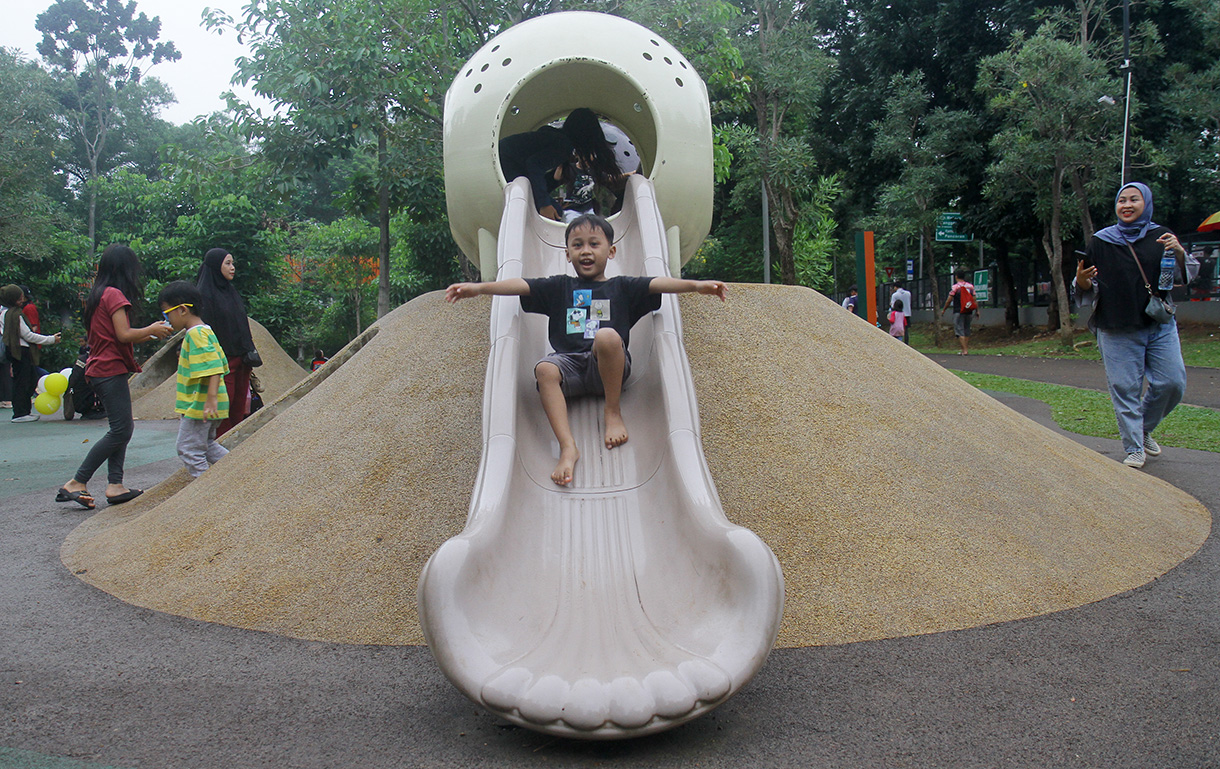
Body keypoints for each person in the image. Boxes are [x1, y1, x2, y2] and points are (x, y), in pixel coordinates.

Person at [445, 213, 728, 487]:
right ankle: (568, 448)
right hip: (569, 367)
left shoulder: (623, 287)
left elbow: (658, 283)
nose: (586, 251)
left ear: (612, 250)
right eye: (577, 245)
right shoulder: (559, 286)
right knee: (544, 368)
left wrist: (696, 285)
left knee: (606, 336)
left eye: (594, 244)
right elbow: (522, 285)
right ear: (567, 254)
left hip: (607, 366)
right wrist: (480, 288)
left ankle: (612, 412)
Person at [1075, 182, 1191, 469]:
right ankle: (1134, 448)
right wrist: (1081, 281)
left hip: (1158, 323)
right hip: (1115, 327)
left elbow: (1185, 275)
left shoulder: (1161, 236)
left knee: (1172, 383)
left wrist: (1179, 252)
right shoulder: (1101, 240)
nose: (1127, 205)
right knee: (1125, 389)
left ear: (1146, 203)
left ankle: (1142, 429)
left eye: (1134, 200)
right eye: (1122, 200)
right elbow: (1085, 283)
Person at [56, 245, 173, 509]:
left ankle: (115, 485)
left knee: (120, 428)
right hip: (108, 369)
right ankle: (77, 481)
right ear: (125, 269)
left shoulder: (99, 294)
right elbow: (123, 334)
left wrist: (147, 332)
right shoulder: (114, 294)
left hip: (102, 367)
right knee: (121, 430)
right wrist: (151, 329)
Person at [499, 108, 628, 221]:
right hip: (506, 162)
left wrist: (553, 181)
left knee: (551, 207)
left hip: (504, 157)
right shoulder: (563, 145)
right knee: (555, 212)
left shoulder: (555, 137)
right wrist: (544, 204)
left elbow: (535, 168)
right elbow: (534, 165)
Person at [159, 281, 230, 478]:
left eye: (166, 314)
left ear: (182, 310)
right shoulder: (206, 331)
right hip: (207, 402)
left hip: (200, 404)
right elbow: (222, 364)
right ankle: (236, 472)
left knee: (188, 448)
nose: (166, 320)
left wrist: (211, 398)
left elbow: (214, 366)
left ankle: (204, 489)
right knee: (206, 445)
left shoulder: (196, 334)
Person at [196, 248, 258, 437]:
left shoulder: (230, 292)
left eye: (232, 263)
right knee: (224, 406)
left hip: (242, 360)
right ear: (216, 266)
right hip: (221, 362)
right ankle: (222, 449)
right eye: (228, 263)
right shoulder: (203, 295)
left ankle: (235, 450)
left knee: (239, 407)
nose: (233, 268)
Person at [1, 285, 61, 422]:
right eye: (19, 297)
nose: (22, 299)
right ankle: (20, 413)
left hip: (12, 350)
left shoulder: (4, 313)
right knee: (24, 382)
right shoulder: (15, 314)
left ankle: (22, 411)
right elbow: (28, 336)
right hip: (21, 350)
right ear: (13, 299)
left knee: (26, 380)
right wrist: (51, 339)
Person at [942, 270, 978, 355]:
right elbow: (974, 299)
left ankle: (964, 350)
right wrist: (977, 310)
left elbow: (949, 299)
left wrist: (944, 309)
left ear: (956, 276)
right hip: (969, 311)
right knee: (967, 329)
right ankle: (965, 349)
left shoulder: (955, 287)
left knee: (959, 329)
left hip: (958, 311)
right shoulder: (970, 286)